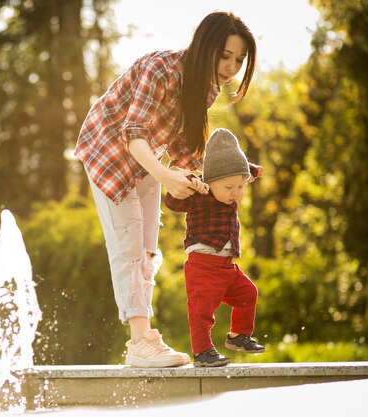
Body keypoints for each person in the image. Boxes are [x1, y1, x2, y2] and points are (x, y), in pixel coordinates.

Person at [74, 11, 257, 367]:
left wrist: (210, 179)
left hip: (147, 160)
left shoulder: (208, 87)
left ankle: (146, 337)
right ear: (206, 45)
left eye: (238, 59)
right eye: (225, 55)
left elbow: (183, 144)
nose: (231, 66)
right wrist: (165, 176)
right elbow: (133, 133)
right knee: (127, 243)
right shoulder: (159, 69)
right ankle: (139, 341)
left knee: (147, 248)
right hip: (109, 153)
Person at [165, 128, 265, 367]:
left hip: (227, 266)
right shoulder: (200, 194)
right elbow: (171, 201)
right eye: (229, 188)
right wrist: (189, 182)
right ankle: (202, 352)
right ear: (209, 181)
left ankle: (238, 336)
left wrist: (250, 171)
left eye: (240, 187)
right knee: (201, 311)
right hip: (203, 265)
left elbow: (232, 168)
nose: (235, 193)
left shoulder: (228, 182)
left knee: (248, 293)